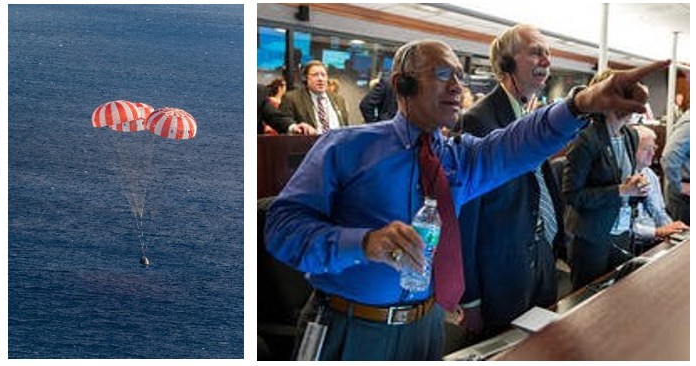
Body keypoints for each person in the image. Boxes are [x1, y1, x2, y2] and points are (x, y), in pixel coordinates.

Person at [263, 38, 665, 360]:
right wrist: (363, 243)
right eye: (442, 75)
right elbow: (282, 228)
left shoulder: (456, 157)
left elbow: (516, 142)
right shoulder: (345, 147)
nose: (458, 87)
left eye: (459, 76)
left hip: (427, 329)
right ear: (403, 84)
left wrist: (582, 103)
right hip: (353, 330)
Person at [453, 24, 565, 339]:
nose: (546, 60)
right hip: (501, 272)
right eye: (535, 52)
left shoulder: (532, 117)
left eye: (548, 53)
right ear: (506, 63)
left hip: (541, 258)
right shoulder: (477, 120)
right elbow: (466, 219)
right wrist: (470, 298)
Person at [562, 69, 653, 288]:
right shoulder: (586, 139)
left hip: (621, 232)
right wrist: (621, 190)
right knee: (588, 302)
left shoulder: (630, 134)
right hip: (591, 237)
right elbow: (572, 195)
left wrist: (638, 189)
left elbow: (627, 181)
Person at [630, 125, 689, 247]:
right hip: (634, 245)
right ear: (630, 149)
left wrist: (674, 229)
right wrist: (657, 232)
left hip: (655, 240)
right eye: (647, 149)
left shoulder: (649, 174)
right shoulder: (622, 180)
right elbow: (625, 229)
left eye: (654, 148)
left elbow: (660, 212)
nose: (653, 153)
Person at [280, 60, 350, 134]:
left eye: (323, 75)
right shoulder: (292, 98)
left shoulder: (339, 99)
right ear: (306, 78)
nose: (320, 79)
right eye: (315, 75)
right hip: (309, 144)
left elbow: (345, 126)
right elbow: (285, 125)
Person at [662, 102, 690, 225]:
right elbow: (669, 156)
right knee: (681, 239)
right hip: (685, 198)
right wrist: (679, 185)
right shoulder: (690, 124)